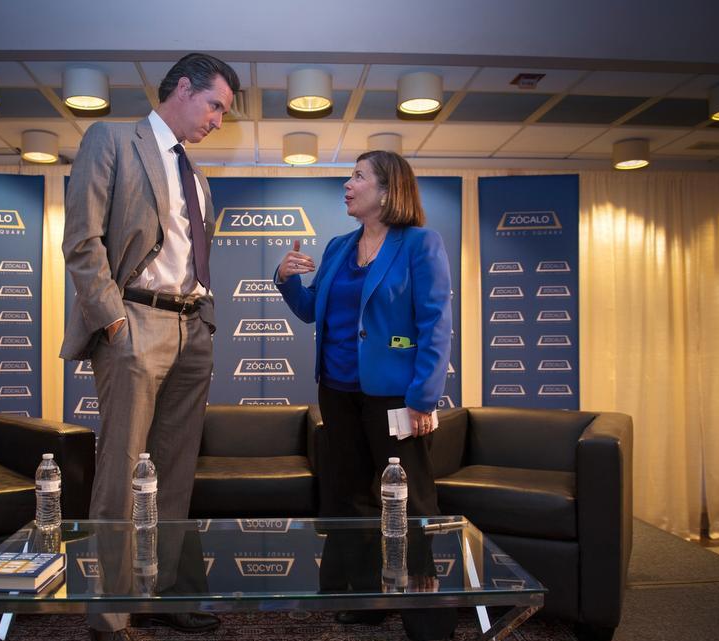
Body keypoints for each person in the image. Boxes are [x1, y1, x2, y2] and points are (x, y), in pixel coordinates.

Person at [61, 52, 239, 641]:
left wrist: (205, 321)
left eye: (224, 113)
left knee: (175, 475)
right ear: (182, 89)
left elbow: (193, 259)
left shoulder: (199, 175)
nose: (218, 120)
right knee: (120, 474)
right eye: (215, 105)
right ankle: (108, 615)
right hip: (135, 323)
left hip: (192, 329)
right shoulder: (111, 138)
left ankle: (161, 594)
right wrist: (114, 325)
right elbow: (84, 242)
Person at [274, 150, 456, 641]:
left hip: (395, 398)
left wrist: (423, 397)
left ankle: (428, 619)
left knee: (411, 504)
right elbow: (312, 309)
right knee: (352, 498)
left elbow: (436, 324)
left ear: (387, 189)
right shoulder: (337, 247)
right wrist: (285, 278)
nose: (347, 184)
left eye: (357, 176)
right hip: (336, 393)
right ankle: (367, 600)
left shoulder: (420, 244)